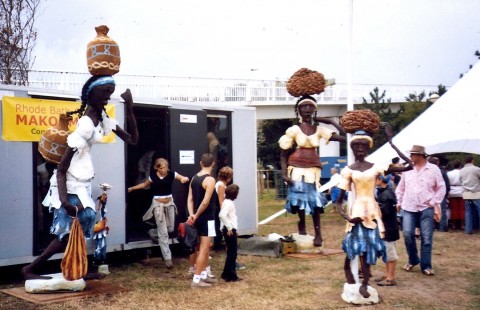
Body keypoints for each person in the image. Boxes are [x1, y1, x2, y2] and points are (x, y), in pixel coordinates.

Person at [22, 76, 139, 280]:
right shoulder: (85, 124)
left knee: (83, 226)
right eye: (105, 92)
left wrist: (129, 108)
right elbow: (61, 169)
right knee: (66, 232)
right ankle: (31, 269)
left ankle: (78, 269)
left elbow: (132, 140)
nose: (107, 97)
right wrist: (64, 200)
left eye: (110, 93)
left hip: (81, 182)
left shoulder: (101, 118)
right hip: (70, 183)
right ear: (91, 93)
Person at [335, 111, 412, 299]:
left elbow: (409, 165)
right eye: (356, 145)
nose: (360, 149)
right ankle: (351, 276)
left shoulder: (377, 167)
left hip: (372, 213)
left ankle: (365, 282)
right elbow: (338, 202)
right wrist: (347, 217)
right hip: (356, 213)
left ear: (368, 147)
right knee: (353, 247)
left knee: (370, 247)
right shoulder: (347, 171)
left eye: (363, 145)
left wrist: (392, 142)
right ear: (352, 148)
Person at [279, 95, 345, 247]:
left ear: (315, 110)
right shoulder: (294, 130)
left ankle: (318, 233)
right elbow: (283, 154)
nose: (307, 110)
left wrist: (331, 122)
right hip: (296, 168)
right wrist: (284, 174)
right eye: (304, 107)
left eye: (311, 107)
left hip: (313, 170)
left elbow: (346, 138)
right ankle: (301, 223)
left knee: (315, 202)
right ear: (299, 110)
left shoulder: (320, 130)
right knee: (299, 200)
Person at [128, 158, 189, 269]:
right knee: (164, 234)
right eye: (161, 168)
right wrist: (133, 188)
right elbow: (144, 185)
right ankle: (168, 259)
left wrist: (184, 179)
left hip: (169, 203)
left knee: (170, 229)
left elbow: (181, 177)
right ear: (157, 168)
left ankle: (152, 233)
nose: (164, 170)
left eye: (165, 167)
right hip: (158, 205)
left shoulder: (171, 174)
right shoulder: (153, 176)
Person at [396, 145, 446, 276]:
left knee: (427, 237)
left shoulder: (433, 169)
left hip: (426, 207)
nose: (411, 157)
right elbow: (401, 187)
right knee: (407, 234)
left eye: (413, 154)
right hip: (408, 206)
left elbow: (441, 187)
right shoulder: (407, 169)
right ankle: (413, 259)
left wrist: (434, 201)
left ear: (421, 155)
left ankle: (426, 266)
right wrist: (398, 201)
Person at [188, 153, 218, 288]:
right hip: (207, 218)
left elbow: (190, 199)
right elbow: (206, 202)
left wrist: (192, 214)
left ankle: (204, 275)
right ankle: (197, 279)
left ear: (200, 163)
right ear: (213, 164)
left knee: (200, 247)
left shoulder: (194, 178)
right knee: (204, 249)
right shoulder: (210, 180)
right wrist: (197, 215)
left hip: (196, 217)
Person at [374, 175, 399, 287]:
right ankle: (387, 274)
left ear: (380, 180)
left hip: (388, 228)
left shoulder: (386, 195)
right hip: (387, 227)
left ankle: (391, 278)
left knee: (390, 252)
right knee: (386, 251)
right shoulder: (385, 193)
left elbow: (385, 212)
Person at [219, 184, 241, 282]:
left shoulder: (226, 202)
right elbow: (222, 215)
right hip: (229, 230)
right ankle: (231, 276)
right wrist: (229, 228)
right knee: (233, 253)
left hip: (229, 228)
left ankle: (225, 273)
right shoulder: (229, 204)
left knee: (230, 253)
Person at [427, 156, 450, 232]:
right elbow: (446, 184)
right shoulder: (442, 172)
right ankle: (442, 227)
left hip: (430, 194)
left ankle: (431, 226)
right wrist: (446, 193)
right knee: (441, 210)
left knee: (430, 210)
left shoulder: (427, 171)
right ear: (438, 163)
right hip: (440, 194)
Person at [459, 155, 480, 234]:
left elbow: (460, 181)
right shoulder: (477, 169)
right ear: (472, 160)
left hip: (466, 193)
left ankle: (468, 230)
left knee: (468, 212)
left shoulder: (462, 170)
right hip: (476, 193)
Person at [447, 160, 465, 230]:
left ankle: (454, 224)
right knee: (462, 208)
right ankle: (462, 224)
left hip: (452, 190)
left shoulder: (449, 173)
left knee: (453, 208)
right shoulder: (462, 172)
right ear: (460, 166)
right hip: (461, 190)